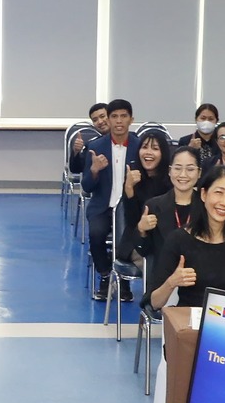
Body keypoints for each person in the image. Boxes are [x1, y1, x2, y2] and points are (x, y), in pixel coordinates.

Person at [147, 165, 225, 309]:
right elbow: (154, 303)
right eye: (219, 192)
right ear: (204, 194)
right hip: (188, 318)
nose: (224, 202)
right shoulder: (178, 239)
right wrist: (172, 282)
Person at [80, 98, 140, 301]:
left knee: (127, 239)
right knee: (96, 234)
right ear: (109, 119)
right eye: (114, 116)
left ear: (131, 119)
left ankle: (124, 280)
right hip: (102, 207)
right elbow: (86, 186)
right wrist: (94, 170)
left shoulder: (140, 147)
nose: (119, 121)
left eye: (124, 116)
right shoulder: (95, 146)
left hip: (131, 206)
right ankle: (105, 275)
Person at [134, 146, 203, 268]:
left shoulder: (207, 206)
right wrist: (141, 230)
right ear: (170, 171)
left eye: (190, 169)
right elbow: (144, 251)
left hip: (200, 273)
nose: (183, 174)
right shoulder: (153, 206)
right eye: (177, 168)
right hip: (165, 275)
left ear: (199, 173)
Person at [117, 130, 173, 264]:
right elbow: (132, 222)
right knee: (155, 264)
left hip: (165, 240)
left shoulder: (171, 179)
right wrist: (129, 188)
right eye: (144, 147)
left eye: (155, 148)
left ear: (163, 153)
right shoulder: (132, 177)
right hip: (137, 240)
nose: (148, 152)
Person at [69, 102, 110, 175]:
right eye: (95, 120)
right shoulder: (91, 145)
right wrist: (76, 152)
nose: (100, 122)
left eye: (102, 116)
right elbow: (75, 169)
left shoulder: (128, 140)